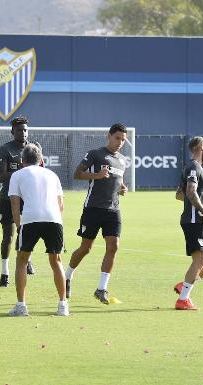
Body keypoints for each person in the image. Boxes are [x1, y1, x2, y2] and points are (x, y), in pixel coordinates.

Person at [64, 123, 128, 304]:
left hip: (113, 209)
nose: (120, 142)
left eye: (123, 140)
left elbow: (117, 182)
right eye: (117, 138)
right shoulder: (95, 154)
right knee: (86, 248)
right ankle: (67, 276)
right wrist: (97, 176)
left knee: (113, 246)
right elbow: (77, 174)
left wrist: (122, 188)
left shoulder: (123, 160)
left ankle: (101, 289)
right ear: (109, 136)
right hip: (93, 208)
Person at [8, 144, 68, 317]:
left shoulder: (17, 175)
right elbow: (61, 205)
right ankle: (63, 305)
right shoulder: (52, 174)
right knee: (56, 260)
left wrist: (19, 225)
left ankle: (21, 306)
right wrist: (57, 221)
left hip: (30, 218)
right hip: (54, 219)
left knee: (22, 260)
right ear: (41, 160)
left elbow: (15, 203)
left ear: (22, 161)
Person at [173, 136, 203, 310]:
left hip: (198, 220)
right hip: (194, 220)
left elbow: (180, 195)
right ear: (202, 147)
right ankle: (182, 299)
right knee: (199, 260)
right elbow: (190, 191)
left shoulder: (194, 167)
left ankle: (184, 285)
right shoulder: (194, 167)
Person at [0, 116, 39, 287]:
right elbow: (1, 176)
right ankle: (4, 273)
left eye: (26, 130)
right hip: (8, 197)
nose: (23, 133)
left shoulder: (35, 147)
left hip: (28, 198)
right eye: (20, 130)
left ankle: (26, 261)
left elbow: (40, 171)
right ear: (13, 131)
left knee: (27, 233)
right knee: (8, 236)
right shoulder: (5, 149)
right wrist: (23, 171)